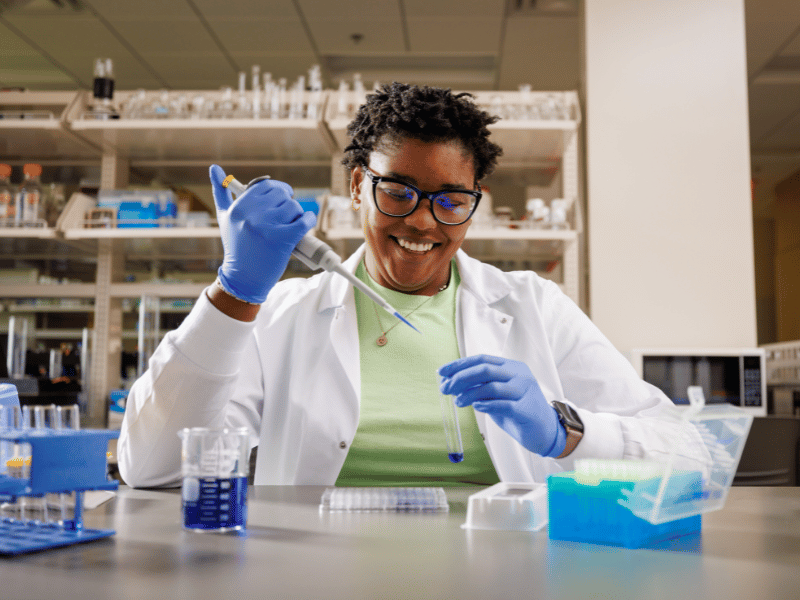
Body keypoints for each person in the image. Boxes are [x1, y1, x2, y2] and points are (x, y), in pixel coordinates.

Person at [119, 83, 700, 488]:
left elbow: (690, 453)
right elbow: (153, 468)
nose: (422, 221)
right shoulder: (280, 315)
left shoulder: (532, 307)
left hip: (504, 570)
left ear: (475, 206)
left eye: (451, 200)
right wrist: (235, 293)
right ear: (357, 187)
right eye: (397, 191)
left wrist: (565, 430)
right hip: (312, 574)